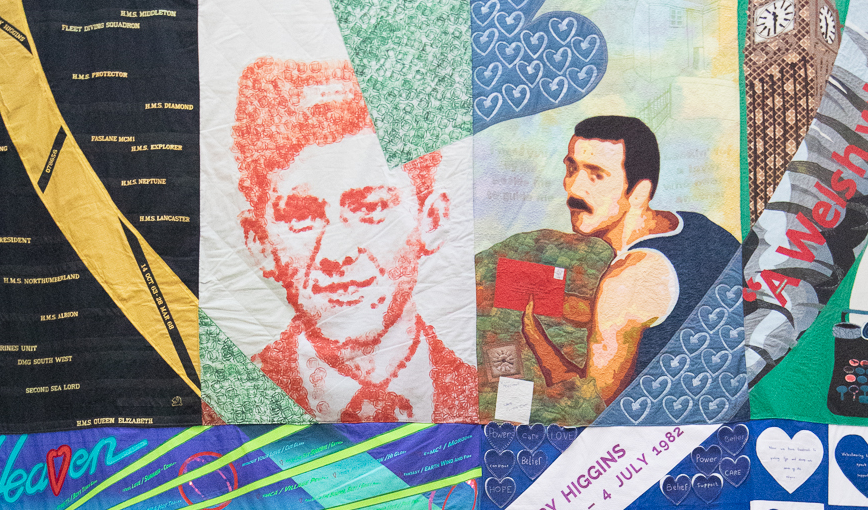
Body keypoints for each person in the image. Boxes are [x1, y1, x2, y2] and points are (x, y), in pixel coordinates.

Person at [226, 58, 476, 421]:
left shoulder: (484, 401)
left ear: (432, 220)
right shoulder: (229, 405)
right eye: (300, 217)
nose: (337, 253)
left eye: (371, 208)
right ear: (259, 243)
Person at [512, 114, 738, 408]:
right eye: (571, 168)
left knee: (508, 397)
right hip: (727, 404)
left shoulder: (627, 278)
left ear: (639, 192)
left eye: (596, 174)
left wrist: (533, 333)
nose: (573, 188)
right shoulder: (696, 225)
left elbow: (591, 407)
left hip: (667, 434)